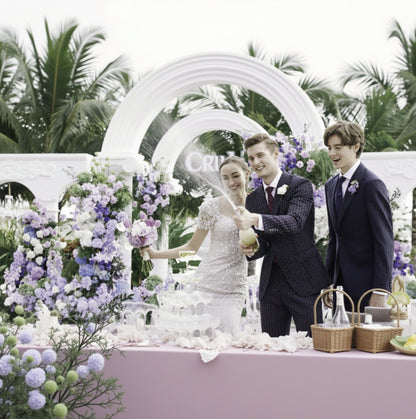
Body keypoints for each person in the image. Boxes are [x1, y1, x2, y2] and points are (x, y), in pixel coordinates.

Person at [140, 156, 250, 335]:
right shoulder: (211, 207)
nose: (231, 182)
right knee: (198, 340)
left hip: (233, 289)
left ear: (247, 174)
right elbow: (191, 249)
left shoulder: (260, 204)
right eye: (225, 177)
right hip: (205, 287)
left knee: (228, 339)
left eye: (236, 175)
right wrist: (154, 254)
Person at [233, 133, 330, 337]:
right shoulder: (253, 199)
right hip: (271, 284)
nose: (256, 162)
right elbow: (264, 245)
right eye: (251, 158)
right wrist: (250, 250)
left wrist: (255, 219)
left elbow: (295, 222)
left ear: (275, 154)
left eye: (260, 155)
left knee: (312, 347)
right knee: (271, 348)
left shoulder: (300, 185)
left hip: (304, 280)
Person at [323, 121, 394, 312]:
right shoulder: (331, 186)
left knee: (365, 342)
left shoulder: (372, 184)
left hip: (367, 286)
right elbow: (334, 238)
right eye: (329, 148)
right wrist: (328, 282)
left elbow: (384, 241)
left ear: (355, 146)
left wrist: (380, 291)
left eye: (338, 147)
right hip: (340, 288)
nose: (332, 154)